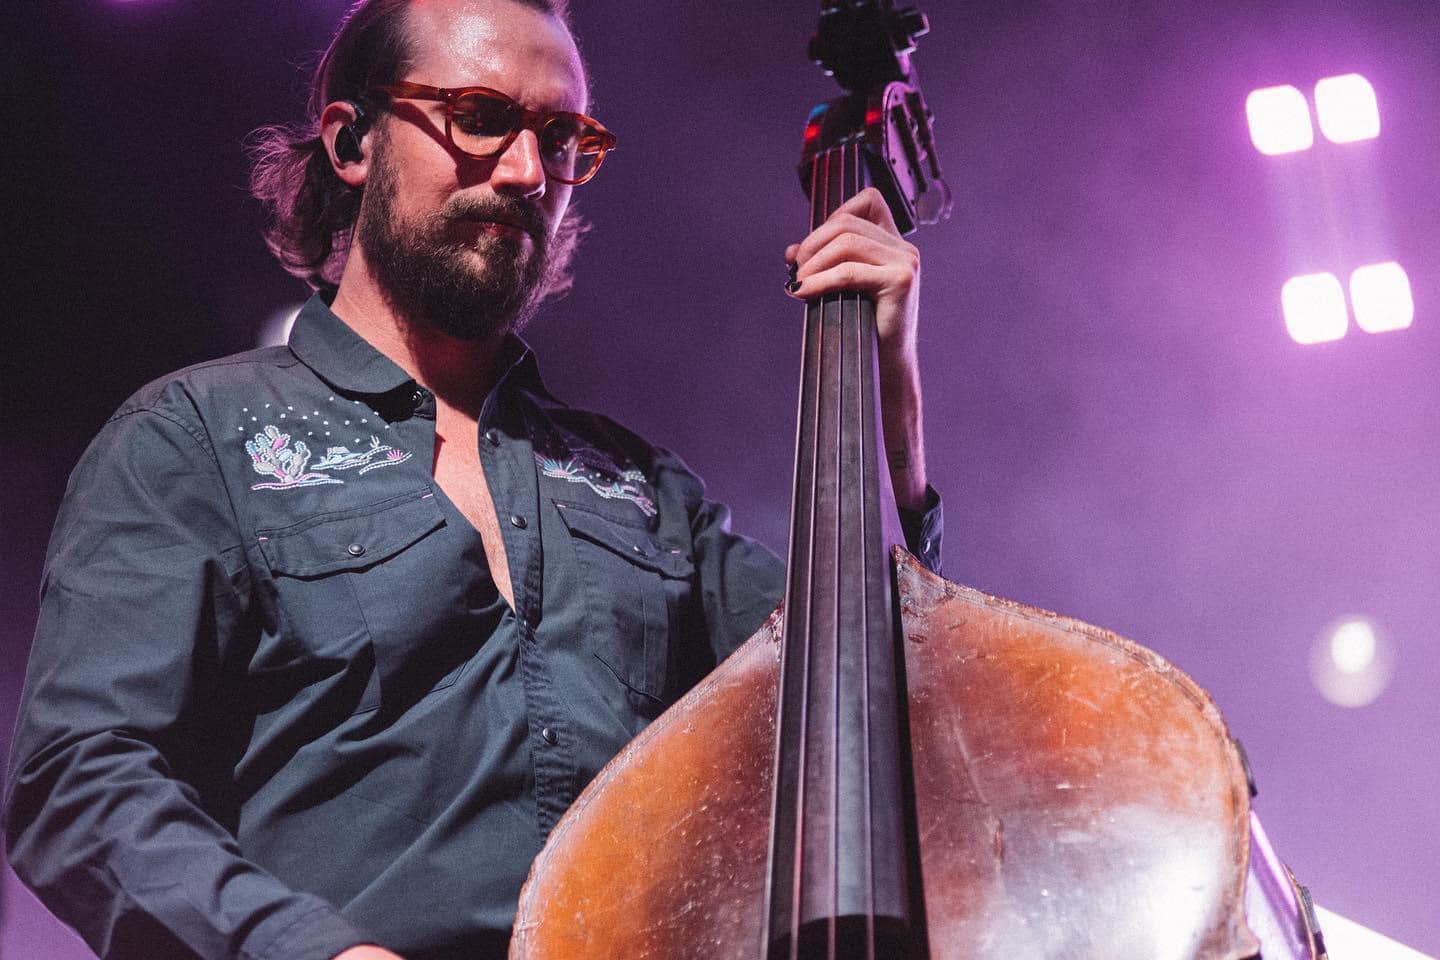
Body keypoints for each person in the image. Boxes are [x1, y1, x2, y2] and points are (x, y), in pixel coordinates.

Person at [4, 1, 942, 958]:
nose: (531, 173)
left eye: (563, 137)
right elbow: (80, 782)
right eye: (481, 118)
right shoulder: (194, 439)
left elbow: (895, 708)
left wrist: (888, 397)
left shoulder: (647, 492)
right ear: (352, 140)